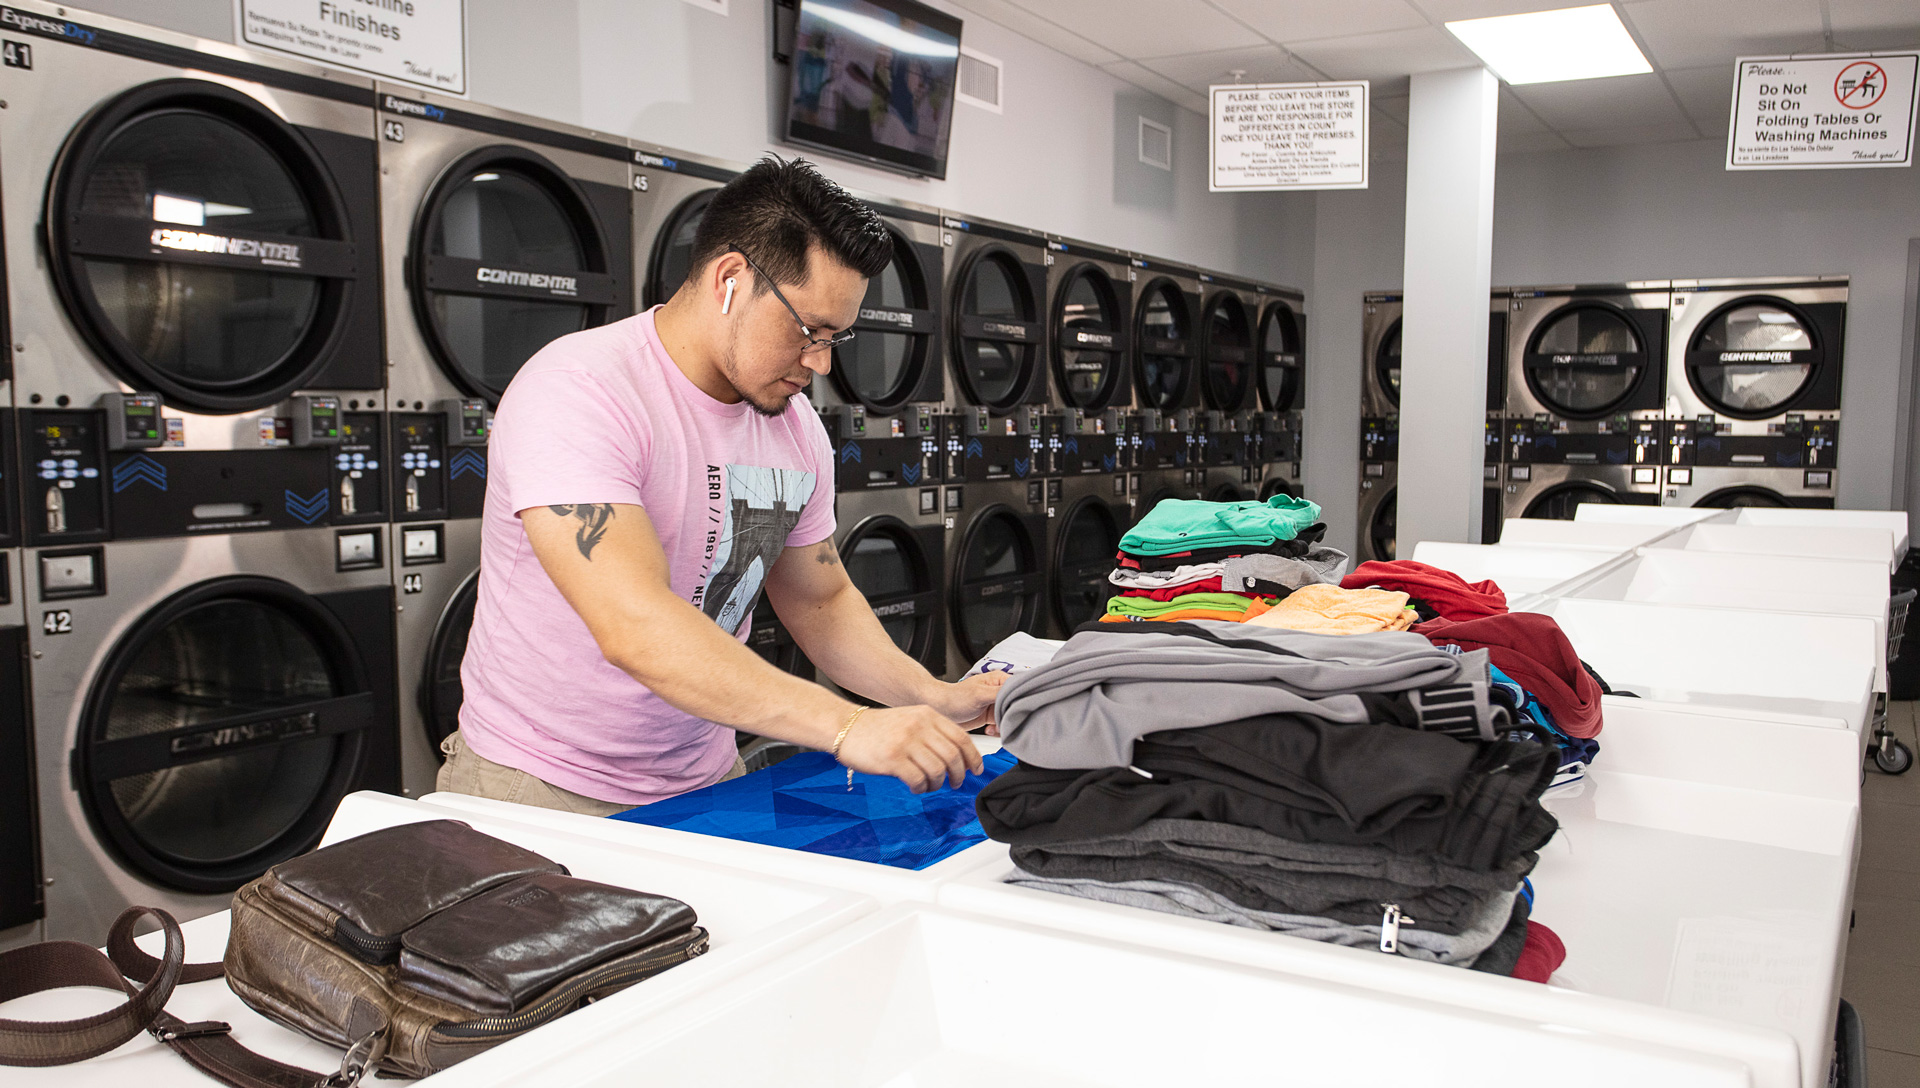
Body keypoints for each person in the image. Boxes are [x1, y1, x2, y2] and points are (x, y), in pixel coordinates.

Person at [437, 156, 1000, 816]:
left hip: (706, 776)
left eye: (836, 338)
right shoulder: (579, 391)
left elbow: (820, 601)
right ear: (730, 279)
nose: (821, 363)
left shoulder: (795, 430)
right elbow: (635, 624)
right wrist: (846, 726)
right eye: (808, 331)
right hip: (543, 785)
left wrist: (933, 696)